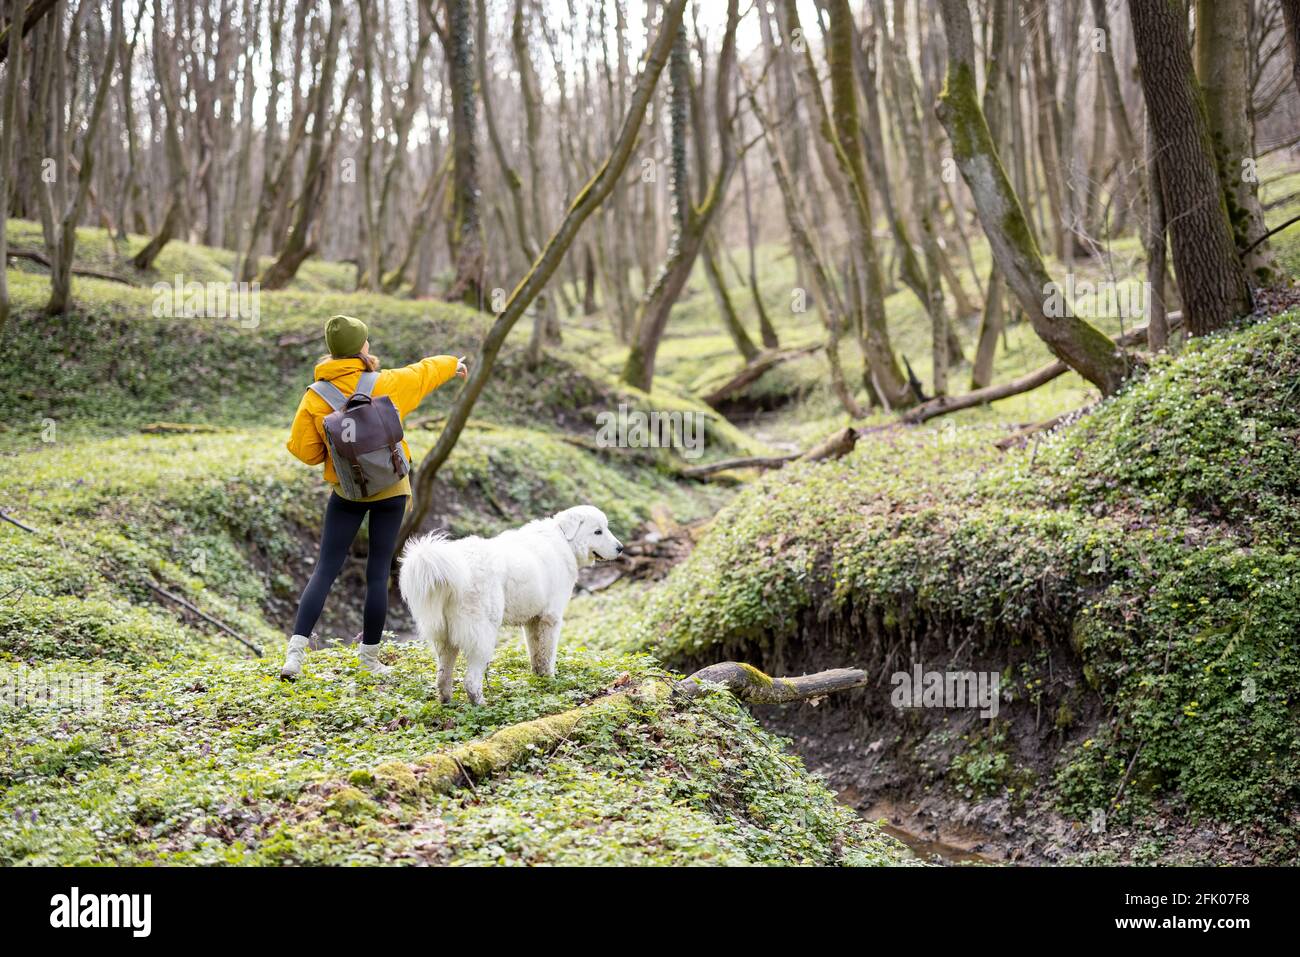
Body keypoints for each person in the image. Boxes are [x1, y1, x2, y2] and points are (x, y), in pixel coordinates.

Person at [279, 314, 467, 680]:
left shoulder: (315, 396)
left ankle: (295, 656)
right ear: (362, 348)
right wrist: (452, 364)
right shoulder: (385, 382)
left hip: (346, 491)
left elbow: (303, 450)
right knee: (378, 572)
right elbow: (422, 372)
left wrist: (335, 452)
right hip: (391, 489)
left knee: (325, 569)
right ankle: (369, 661)